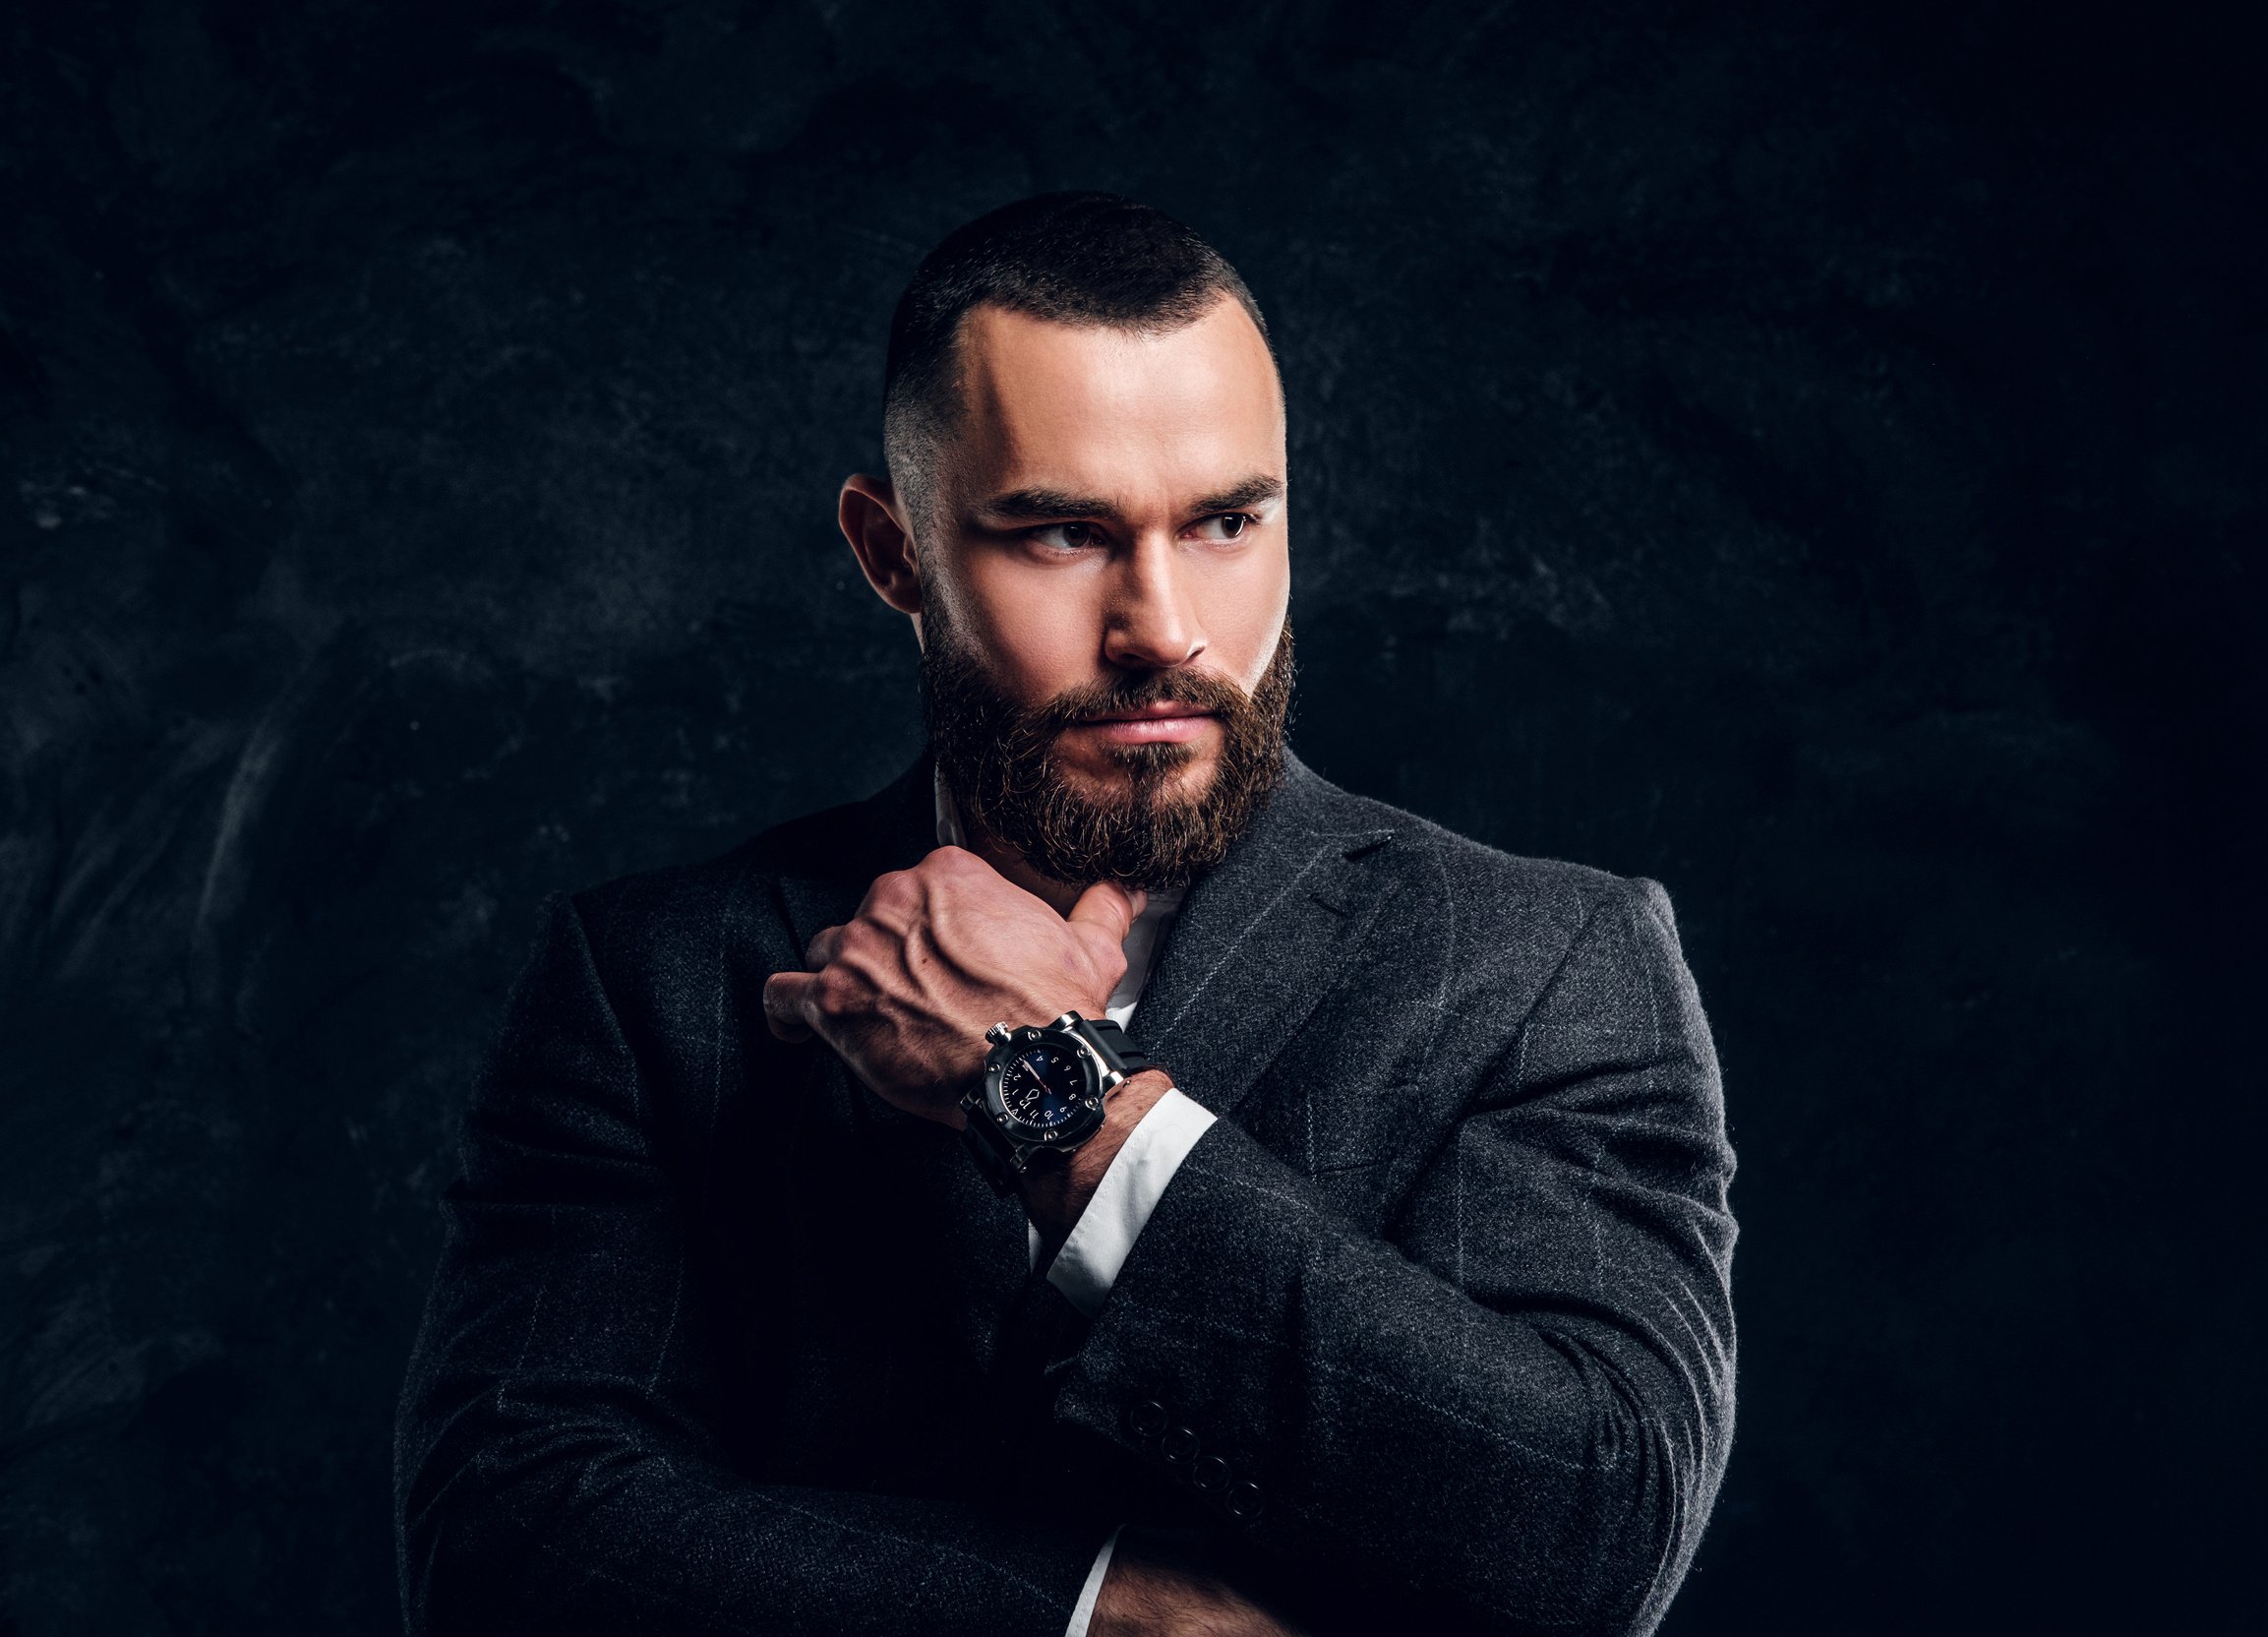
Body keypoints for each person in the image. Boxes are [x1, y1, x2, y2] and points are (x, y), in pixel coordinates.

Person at [395, 192, 1738, 1637]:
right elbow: (504, 1542)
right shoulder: (653, 978)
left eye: (1228, 521)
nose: (1164, 626)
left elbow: (1591, 1532)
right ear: (893, 551)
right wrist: (1089, 1618)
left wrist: (1066, 1111)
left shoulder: (1542, 964)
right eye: (1061, 535)